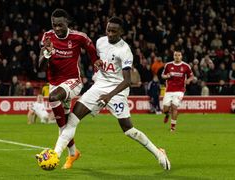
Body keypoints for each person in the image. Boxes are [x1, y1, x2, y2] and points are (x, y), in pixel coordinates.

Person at [52, 17, 171, 170]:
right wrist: (96, 66)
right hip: (99, 86)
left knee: (128, 130)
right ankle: (56, 154)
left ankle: (158, 153)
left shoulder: (125, 50)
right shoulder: (100, 42)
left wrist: (109, 96)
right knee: (72, 120)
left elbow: (127, 81)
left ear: (121, 32)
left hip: (117, 91)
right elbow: (95, 58)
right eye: (108, 30)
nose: (110, 34)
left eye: (114, 31)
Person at [39, 9, 98, 169]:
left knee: (52, 98)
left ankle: (54, 154)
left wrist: (97, 69)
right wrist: (46, 54)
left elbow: (93, 52)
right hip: (54, 82)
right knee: (64, 125)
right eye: (54, 25)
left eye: (60, 25)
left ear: (67, 23)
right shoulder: (47, 37)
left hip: (73, 81)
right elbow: (39, 67)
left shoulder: (79, 37)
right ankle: (73, 153)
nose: (57, 28)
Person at [161, 49, 194, 131]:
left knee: (174, 107)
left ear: (181, 56)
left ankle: (173, 127)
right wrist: (167, 76)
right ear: (173, 56)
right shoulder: (168, 65)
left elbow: (191, 76)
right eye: (175, 55)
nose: (177, 57)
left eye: (179, 55)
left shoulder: (186, 66)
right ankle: (167, 114)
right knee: (165, 109)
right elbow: (162, 75)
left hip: (180, 90)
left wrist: (189, 80)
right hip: (169, 90)